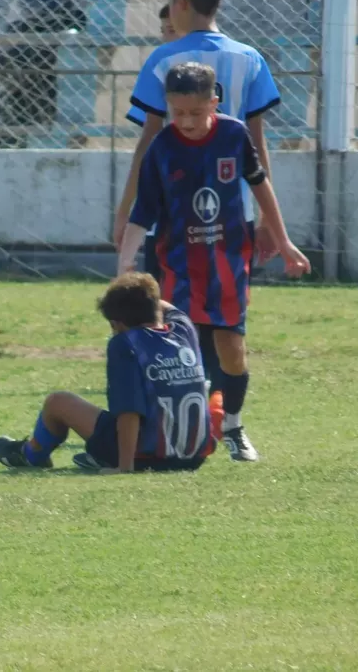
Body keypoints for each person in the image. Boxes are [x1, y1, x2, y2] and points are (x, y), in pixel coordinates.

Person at [115, 0, 283, 441]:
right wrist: (269, 221)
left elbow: (149, 144)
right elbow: (258, 140)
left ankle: (189, 423)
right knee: (221, 323)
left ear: (181, 4)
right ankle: (213, 423)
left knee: (173, 319)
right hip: (233, 216)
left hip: (174, 220)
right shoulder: (250, 58)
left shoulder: (163, 59)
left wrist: (126, 211)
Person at [117, 62, 311, 462]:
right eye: (177, 112)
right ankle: (172, 433)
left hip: (227, 264)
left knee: (232, 352)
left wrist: (284, 241)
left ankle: (233, 427)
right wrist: (125, 264)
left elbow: (261, 187)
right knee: (175, 356)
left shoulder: (234, 136)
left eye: (195, 112)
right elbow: (143, 212)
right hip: (176, 268)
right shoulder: (163, 148)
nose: (186, 121)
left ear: (214, 103)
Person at [0, 272, 217, 473]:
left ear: (116, 324)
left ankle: (30, 455)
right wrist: (134, 290)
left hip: (147, 457)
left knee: (57, 402)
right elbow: (158, 303)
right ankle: (96, 457)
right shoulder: (184, 328)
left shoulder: (125, 343)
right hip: (193, 458)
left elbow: (130, 410)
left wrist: (125, 466)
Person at [126, 3, 182, 282]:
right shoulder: (160, 68)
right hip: (164, 196)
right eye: (163, 31)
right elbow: (149, 134)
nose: (166, 37)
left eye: (171, 29)